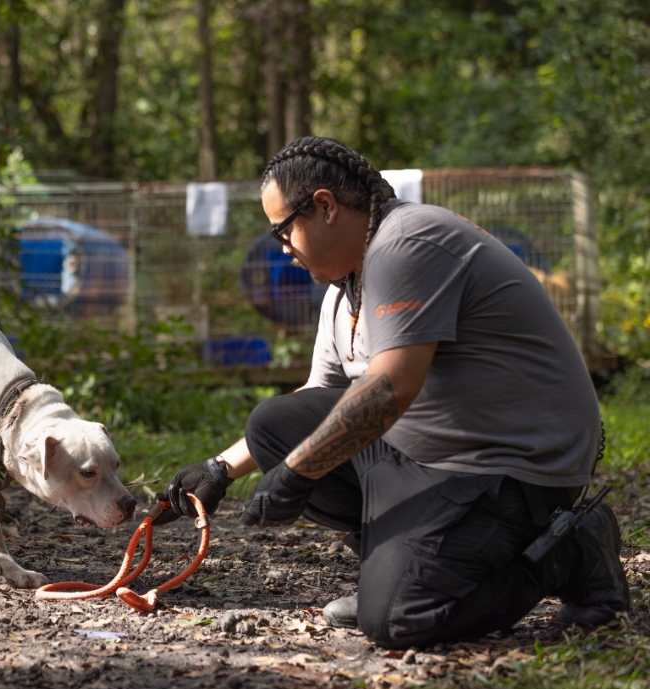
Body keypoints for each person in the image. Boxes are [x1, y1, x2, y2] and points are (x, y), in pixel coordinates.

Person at [155, 136, 629, 649]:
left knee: (400, 621)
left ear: (324, 206)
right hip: (438, 457)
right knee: (273, 424)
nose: (283, 249)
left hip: (512, 468)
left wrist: (297, 472)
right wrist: (219, 469)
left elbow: (389, 390)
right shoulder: (344, 287)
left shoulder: (407, 242)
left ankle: (569, 553)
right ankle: (401, 565)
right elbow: (319, 398)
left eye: (282, 231)